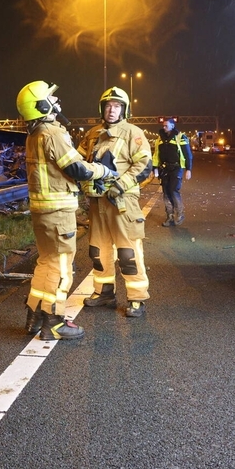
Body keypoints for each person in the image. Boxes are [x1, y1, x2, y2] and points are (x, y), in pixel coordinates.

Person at [16, 80, 117, 340]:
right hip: (58, 212)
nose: (57, 102)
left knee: (46, 262)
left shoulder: (34, 134)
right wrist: (103, 171)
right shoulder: (51, 132)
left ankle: (35, 316)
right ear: (41, 105)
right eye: (52, 98)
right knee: (62, 268)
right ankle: (55, 321)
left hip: (42, 213)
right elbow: (76, 168)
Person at [78, 87, 153, 318]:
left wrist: (120, 185)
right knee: (98, 251)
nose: (112, 110)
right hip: (97, 202)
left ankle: (137, 298)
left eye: (117, 106)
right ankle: (104, 292)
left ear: (124, 109)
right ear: (102, 108)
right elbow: (79, 161)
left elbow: (144, 165)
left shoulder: (133, 132)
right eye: (108, 105)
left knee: (128, 253)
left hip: (122, 201)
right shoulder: (92, 134)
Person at [153, 116, 193, 226]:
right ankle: (169, 217)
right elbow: (156, 154)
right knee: (166, 193)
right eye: (163, 126)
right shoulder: (159, 139)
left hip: (176, 168)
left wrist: (188, 169)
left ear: (172, 126)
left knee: (174, 190)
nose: (164, 127)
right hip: (164, 169)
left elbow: (187, 154)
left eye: (166, 125)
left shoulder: (180, 137)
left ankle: (179, 215)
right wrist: (155, 168)